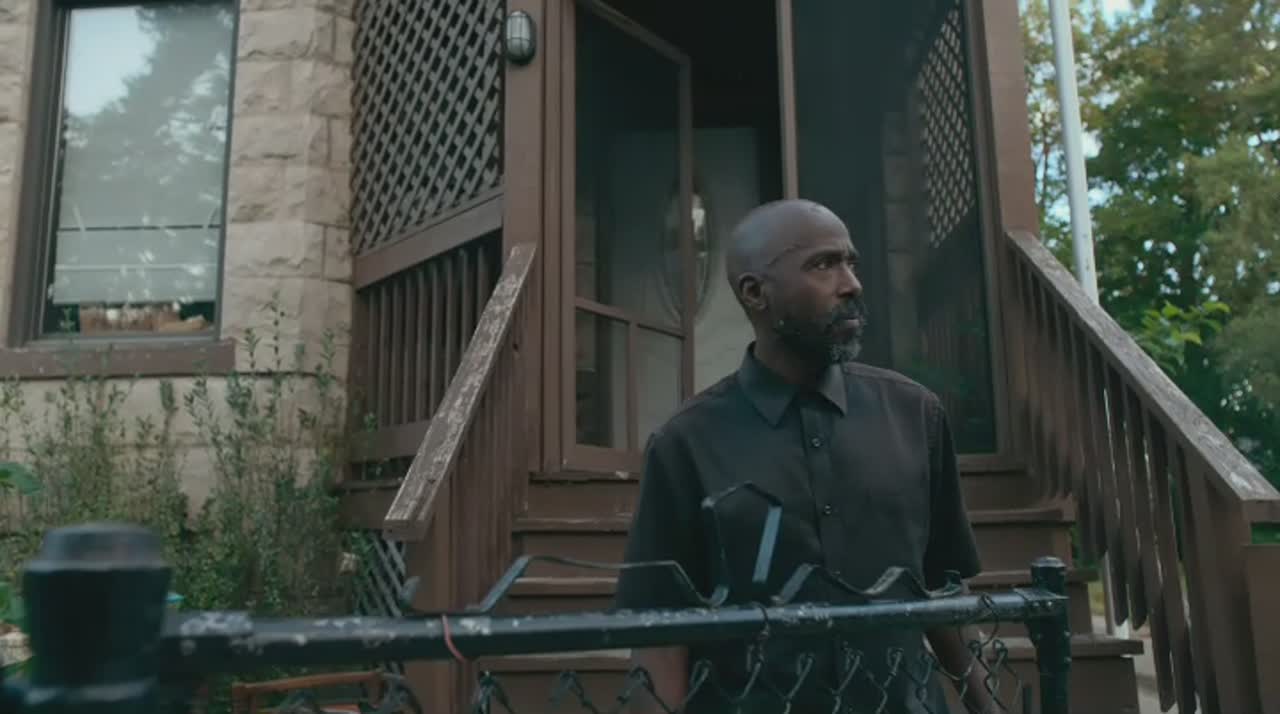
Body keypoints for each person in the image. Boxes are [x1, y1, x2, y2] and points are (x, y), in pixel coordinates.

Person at [614, 199, 994, 714]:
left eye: (850, 262)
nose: (851, 284)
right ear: (755, 293)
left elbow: (944, 591)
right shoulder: (686, 444)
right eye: (823, 265)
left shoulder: (914, 416)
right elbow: (661, 639)